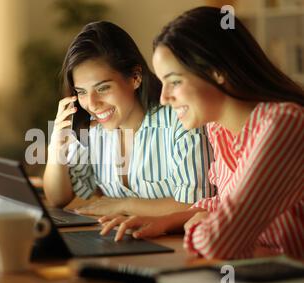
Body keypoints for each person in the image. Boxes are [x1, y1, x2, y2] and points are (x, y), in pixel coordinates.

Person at [101, 7, 304, 259]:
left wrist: (198, 224)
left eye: (174, 81)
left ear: (217, 70)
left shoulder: (283, 124)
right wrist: (167, 221)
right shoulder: (219, 129)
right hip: (257, 274)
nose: (164, 98)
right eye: (163, 83)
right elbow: (221, 205)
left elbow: (218, 242)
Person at [43, 21, 215, 219]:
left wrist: (124, 205)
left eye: (103, 88)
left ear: (135, 77)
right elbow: (57, 198)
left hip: (177, 246)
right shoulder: (94, 130)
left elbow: (197, 204)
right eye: (82, 92)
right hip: (125, 240)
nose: (92, 103)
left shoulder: (180, 120)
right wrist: (57, 148)